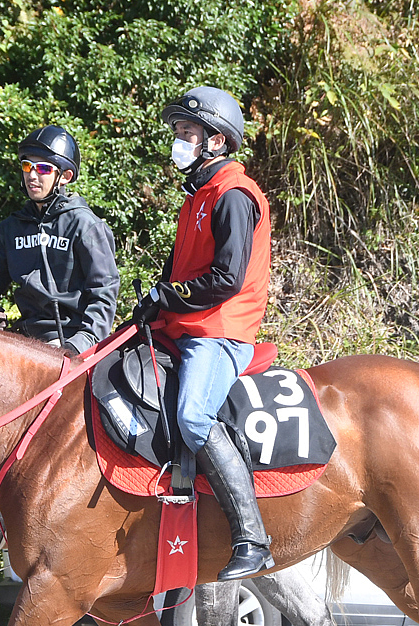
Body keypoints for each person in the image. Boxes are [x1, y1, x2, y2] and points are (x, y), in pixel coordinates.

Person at [134, 86, 274, 581]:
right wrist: (151, 304)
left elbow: (227, 280)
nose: (179, 141)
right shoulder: (196, 198)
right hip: (187, 325)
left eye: (187, 133)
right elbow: (178, 274)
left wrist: (166, 298)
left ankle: (253, 539)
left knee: (193, 417)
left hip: (220, 331)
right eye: (178, 133)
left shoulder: (234, 196)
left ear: (216, 142)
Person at [0, 126, 119, 356]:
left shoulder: (86, 226)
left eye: (42, 168)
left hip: (70, 342)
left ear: (65, 177)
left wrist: (78, 345)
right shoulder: (11, 228)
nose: (32, 175)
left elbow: (103, 294)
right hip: (25, 340)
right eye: (27, 166)